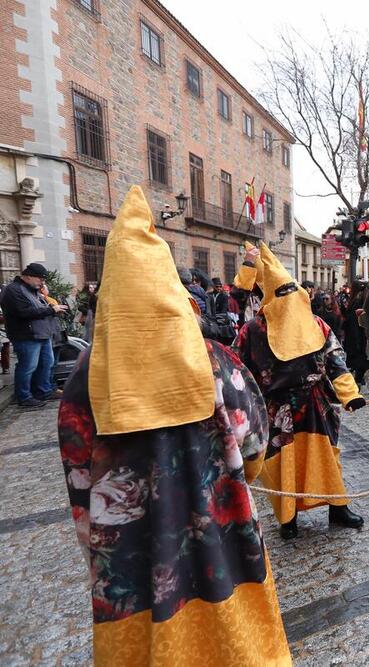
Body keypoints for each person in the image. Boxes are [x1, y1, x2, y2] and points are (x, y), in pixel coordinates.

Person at [57, 186, 290, 666]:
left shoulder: (82, 378)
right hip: (222, 533)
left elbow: (79, 478)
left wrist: (99, 544)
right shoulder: (215, 362)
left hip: (130, 557)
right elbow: (255, 443)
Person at [235, 244, 367, 540]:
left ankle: (338, 507)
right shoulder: (252, 331)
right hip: (277, 410)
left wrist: (350, 394)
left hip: (315, 406)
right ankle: (287, 516)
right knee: (283, 463)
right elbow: (238, 373)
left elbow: (336, 360)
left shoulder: (317, 324)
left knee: (326, 458)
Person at [0, 262, 68, 408]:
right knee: (28, 366)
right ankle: (24, 397)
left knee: (47, 363)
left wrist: (51, 305)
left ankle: (44, 391)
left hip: (42, 334)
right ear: (28, 276)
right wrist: (51, 310)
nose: (42, 282)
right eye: (40, 279)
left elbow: (41, 307)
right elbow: (24, 312)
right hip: (26, 335)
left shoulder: (32, 290)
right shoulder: (13, 290)